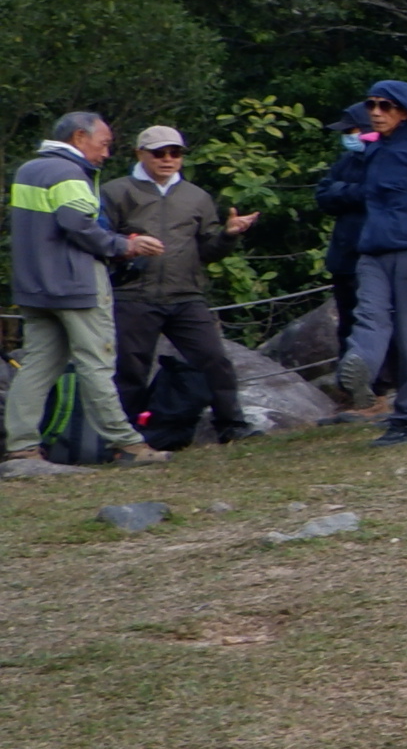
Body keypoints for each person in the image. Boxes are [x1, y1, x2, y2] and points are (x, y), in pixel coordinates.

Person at [6, 111, 171, 478]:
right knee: (97, 362)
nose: (106, 153)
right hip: (76, 284)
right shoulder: (69, 172)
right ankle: (125, 443)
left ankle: (22, 445)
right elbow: (78, 225)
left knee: (37, 366)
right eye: (104, 144)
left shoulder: (29, 170)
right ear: (80, 137)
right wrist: (124, 246)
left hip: (34, 286)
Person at [104, 125, 260, 448]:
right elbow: (99, 240)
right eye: (159, 153)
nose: (168, 159)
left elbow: (208, 250)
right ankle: (127, 439)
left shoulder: (196, 197)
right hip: (132, 294)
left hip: (186, 295)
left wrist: (229, 235)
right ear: (140, 154)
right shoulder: (115, 191)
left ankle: (232, 426)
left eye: (175, 153)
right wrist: (127, 247)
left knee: (214, 359)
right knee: (130, 368)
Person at [331, 80, 407, 447]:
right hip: (372, 252)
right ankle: (360, 371)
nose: (375, 112)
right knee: (368, 319)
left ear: (405, 112)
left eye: (384, 106)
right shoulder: (375, 152)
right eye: (371, 104)